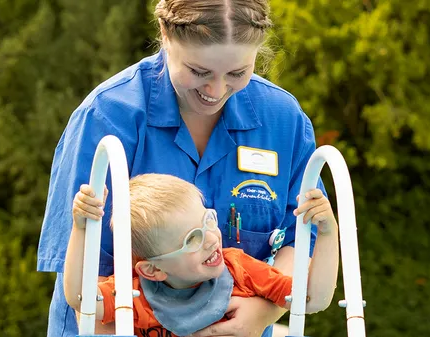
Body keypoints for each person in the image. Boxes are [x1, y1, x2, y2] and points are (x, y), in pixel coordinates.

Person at [37, 0, 329, 336]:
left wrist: (264, 311)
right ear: (164, 33)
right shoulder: (107, 116)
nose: (216, 91)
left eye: (237, 73)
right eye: (199, 71)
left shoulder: (283, 119)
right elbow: (85, 278)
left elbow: (300, 237)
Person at [64, 174, 339, 336]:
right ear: (152, 270)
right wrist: (81, 228)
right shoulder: (133, 293)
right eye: (192, 238)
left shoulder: (238, 269)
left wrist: (327, 233)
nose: (211, 238)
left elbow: (312, 299)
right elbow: (80, 297)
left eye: (208, 221)